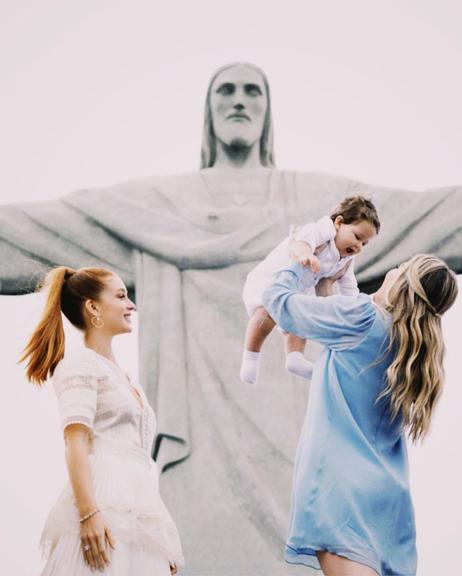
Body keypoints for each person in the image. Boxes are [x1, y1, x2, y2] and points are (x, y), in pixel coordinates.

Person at [1, 62, 462, 574]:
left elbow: (436, 216)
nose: (238, 100)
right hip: (202, 446)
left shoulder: (316, 207)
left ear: (267, 113)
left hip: (300, 439)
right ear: (208, 110)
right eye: (225, 90)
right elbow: (42, 228)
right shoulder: (162, 204)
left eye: (251, 91)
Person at [262, 253, 458, 575]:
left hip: (342, 499)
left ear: (402, 284)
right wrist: (327, 287)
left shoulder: (363, 318)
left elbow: (277, 300)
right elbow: (346, 364)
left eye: (399, 268)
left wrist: (301, 255)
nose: (392, 269)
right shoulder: (409, 347)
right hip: (390, 509)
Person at [21, 266, 183, 575]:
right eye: (121, 296)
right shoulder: (79, 364)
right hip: (105, 497)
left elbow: (136, 460)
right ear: (93, 307)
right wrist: (88, 514)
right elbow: (75, 442)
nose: (131, 305)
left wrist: (162, 541)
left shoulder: (126, 378)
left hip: (138, 498)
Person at [240, 195, 380, 384]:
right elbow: (301, 242)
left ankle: (295, 359)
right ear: (339, 223)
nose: (358, 246)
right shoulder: (323, 230)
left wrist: (354, 308)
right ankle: (251, 357)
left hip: (295, 291)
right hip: (272, 280)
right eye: (357, 237)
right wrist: (306, 254)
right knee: (267, 313)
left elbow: (349, 287)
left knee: (299, 319)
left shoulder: (346, 261)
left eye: (364, 244)